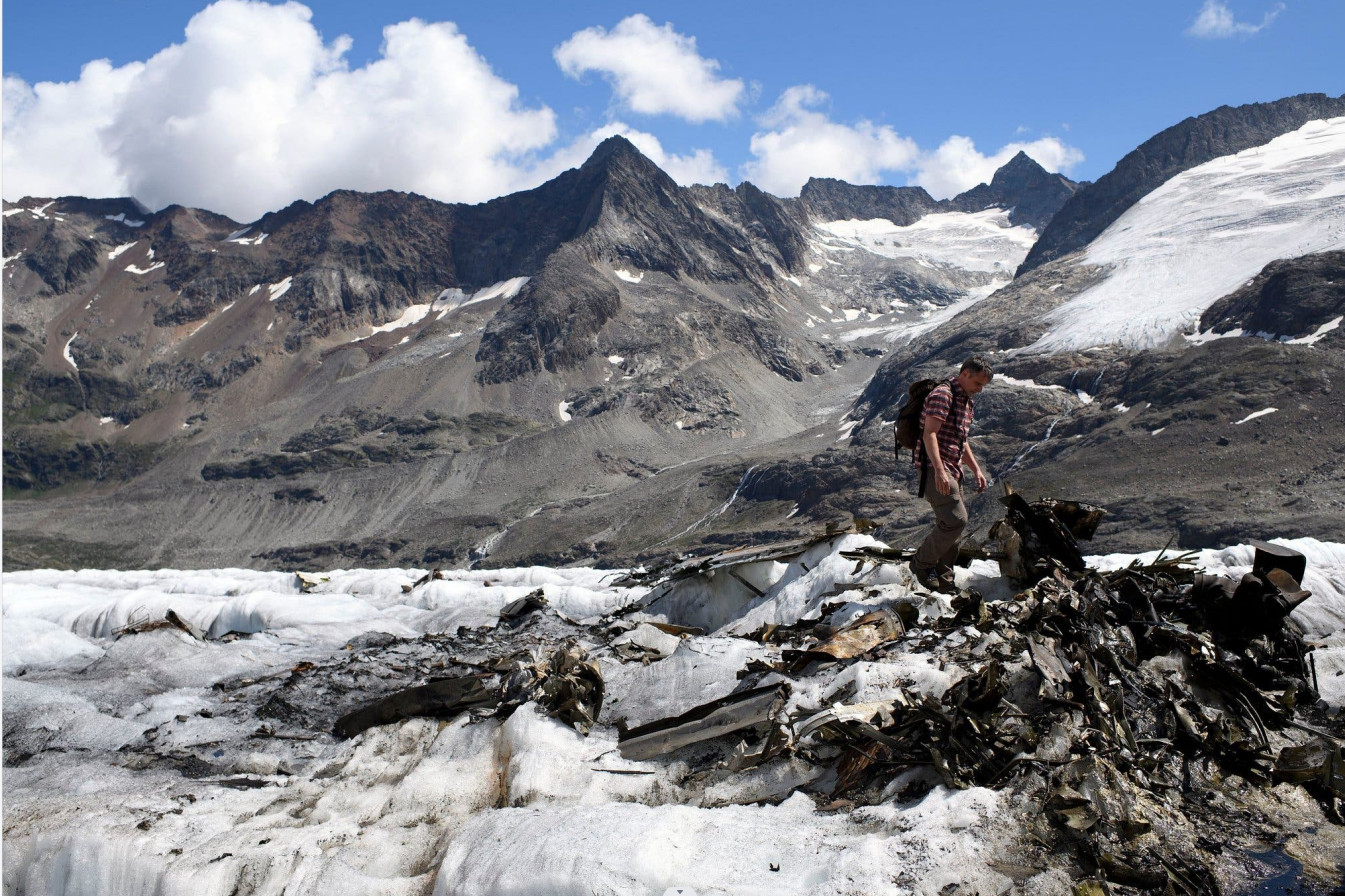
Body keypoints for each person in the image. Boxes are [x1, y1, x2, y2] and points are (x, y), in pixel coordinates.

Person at [910, 357, 992, 593]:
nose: (980, 389)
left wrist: (975, 469)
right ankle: (921, 564)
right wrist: (938, 470)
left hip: (953, 470)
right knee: (956, 520)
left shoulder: (966, 402)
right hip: (936, 469)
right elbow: (930, 434)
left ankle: (945, 581)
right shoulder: (943, 395)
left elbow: (960, 440)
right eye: (977, 383)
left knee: (953, 528)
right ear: (965, 374)